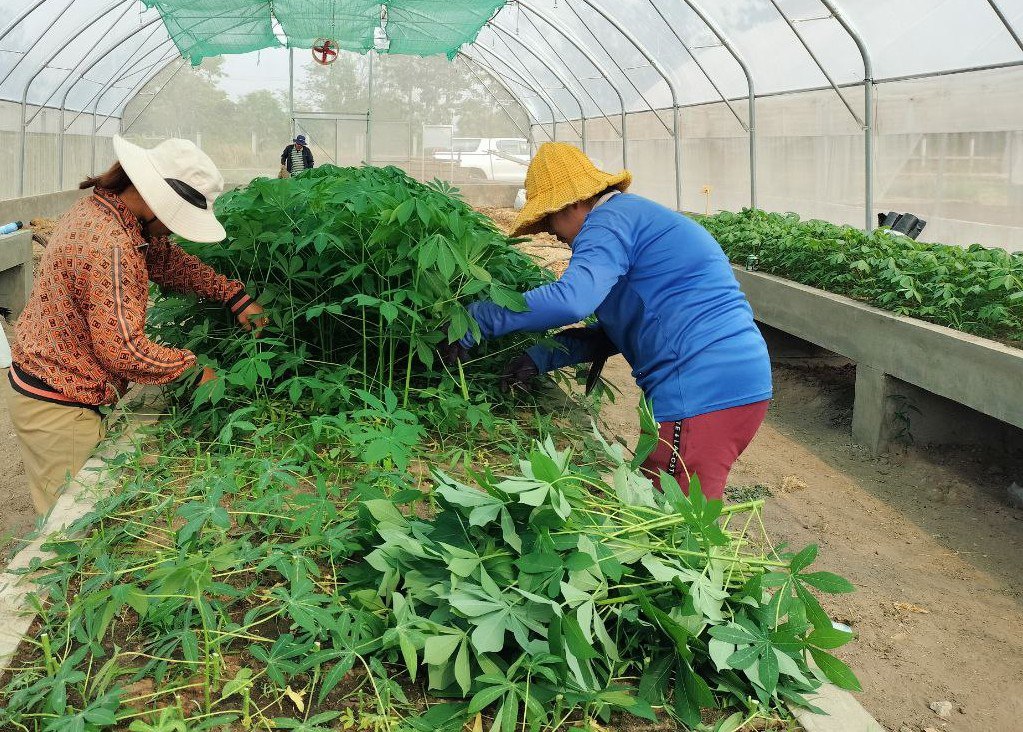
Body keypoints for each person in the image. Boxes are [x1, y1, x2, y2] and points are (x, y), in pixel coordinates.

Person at [442, 142, 772, 500]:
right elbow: (618, 331)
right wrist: (541, 357)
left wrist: (478, 320)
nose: (551, 232)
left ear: (572, 203)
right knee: (663, 504)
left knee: (670, 515)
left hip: (702, 389)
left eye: (549, 218)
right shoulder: (633, 217)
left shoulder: (607, 222)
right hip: (728, 382)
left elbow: (571, 300)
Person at [6, 136, 265, 515]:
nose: (173, 232)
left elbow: (166, 260)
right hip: (58, 405)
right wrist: (192, 371)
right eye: (174, 220)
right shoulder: (112, 246)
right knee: (76, 527)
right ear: (157, 202)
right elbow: (123, 350)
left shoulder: (108, 212)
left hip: (49, 384)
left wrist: (233, 295)